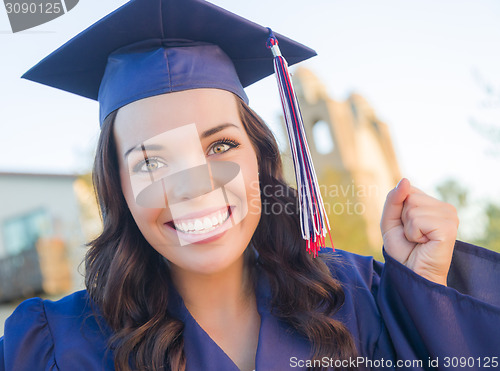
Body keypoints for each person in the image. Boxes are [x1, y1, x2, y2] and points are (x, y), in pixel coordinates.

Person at [1, 0, 500, 370]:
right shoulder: (54, 346)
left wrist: (426, 298)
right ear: (119, 192)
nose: (194, 187)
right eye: (152, 162)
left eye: (220, 146)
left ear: (260, 159)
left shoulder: (356, 298)